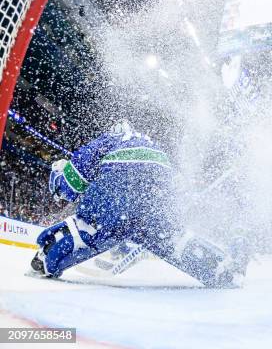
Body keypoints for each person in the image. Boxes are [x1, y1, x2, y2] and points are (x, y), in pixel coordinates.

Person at [31, 121, 243, 287]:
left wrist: (59, 174)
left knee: (93, 226)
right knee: (167, 238)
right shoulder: (145, 141)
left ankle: (47, 257)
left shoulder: (105, 141)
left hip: (122, 184)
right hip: (160, 189)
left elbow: (71, 185)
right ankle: (218, 266)